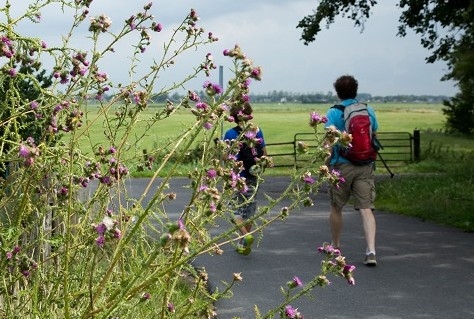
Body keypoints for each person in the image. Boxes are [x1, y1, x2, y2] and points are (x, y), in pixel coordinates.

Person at [324, 75, 379, 266]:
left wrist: (325, 163)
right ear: (356, 89)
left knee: (336, 206)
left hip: (342, 165)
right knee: (366, 208)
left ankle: (336, 244)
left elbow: (328, 142)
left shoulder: (333, 113)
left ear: (337, 92)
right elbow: (374, 136)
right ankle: (371, 250)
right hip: (364, 166)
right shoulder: (367, 110)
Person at [223, 102, 267, 255]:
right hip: (253, 175)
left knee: (234, 209)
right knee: (249, 210)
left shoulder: (230, 134)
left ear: (233, 117)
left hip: (237, 177)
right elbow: (265, 154)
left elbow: (226, 157)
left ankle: (245, 236)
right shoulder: (258, 131)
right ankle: (243, 244)